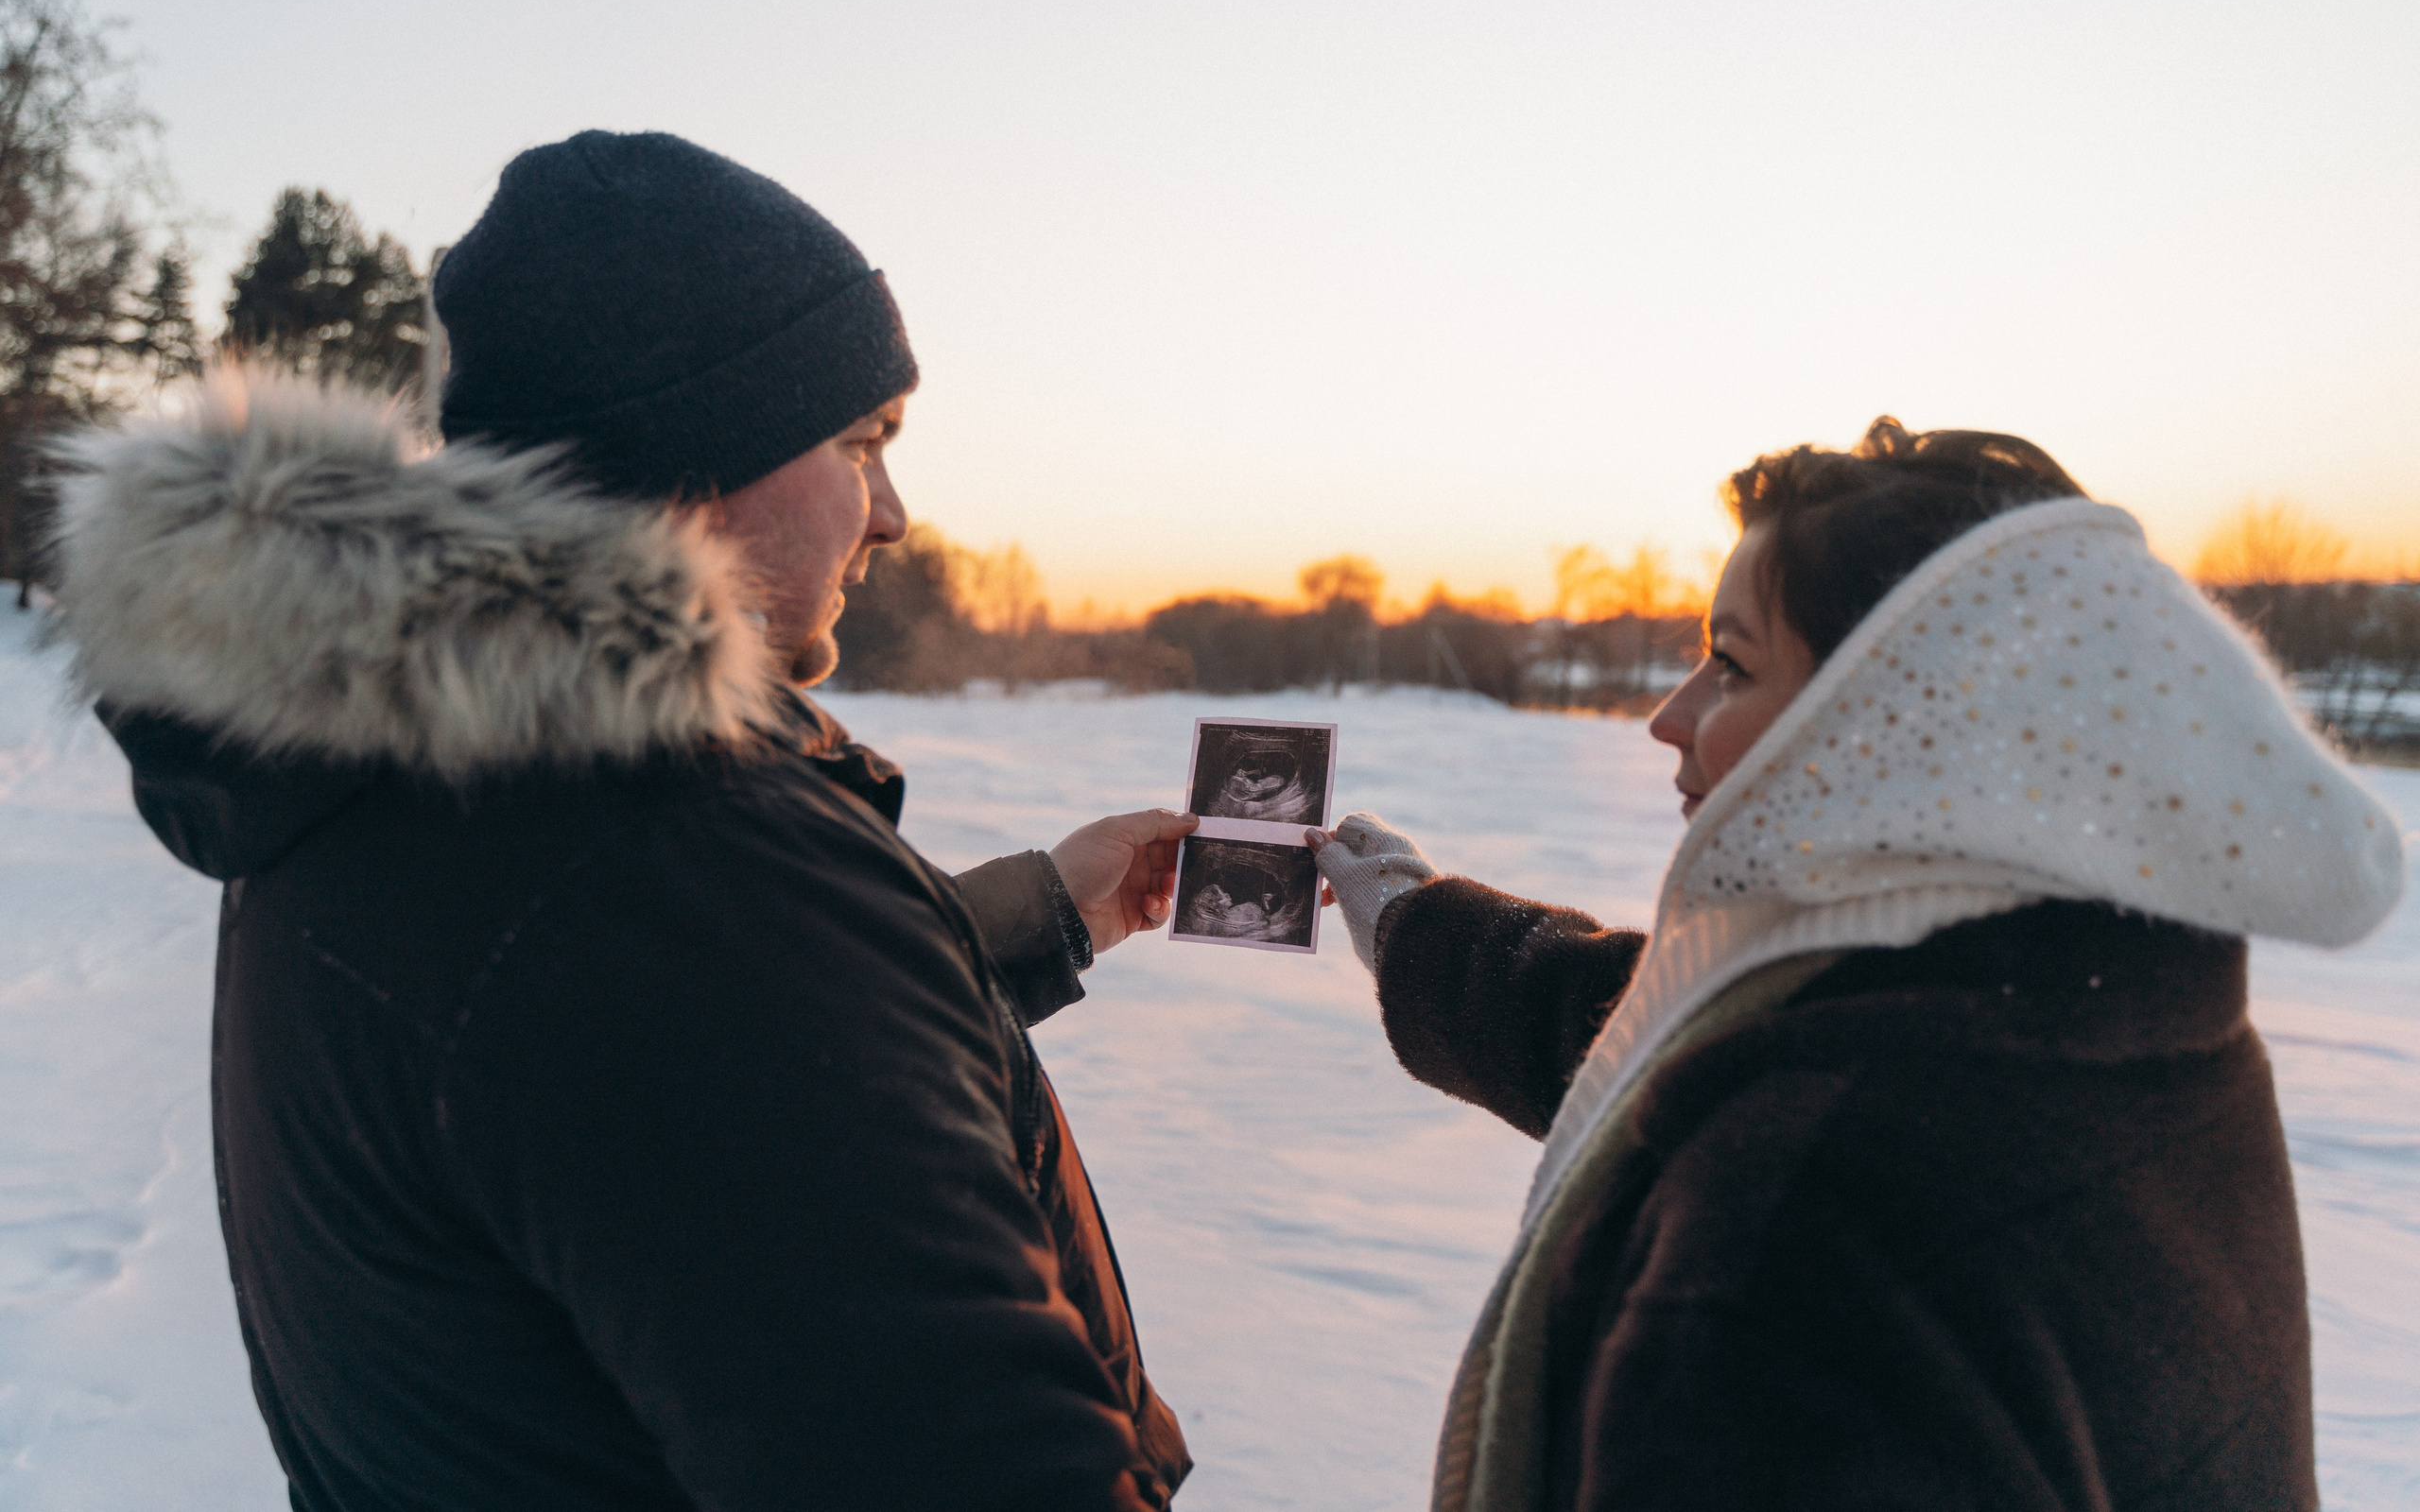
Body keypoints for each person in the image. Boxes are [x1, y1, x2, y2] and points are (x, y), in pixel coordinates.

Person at [48, 131, 1195, 1510]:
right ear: (699, 458)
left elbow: (636, 1090)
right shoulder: (670, 862)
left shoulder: (396, 763)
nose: (892, 514)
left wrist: (1040, 916)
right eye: (860, 440)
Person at [1312, 421, 2404, 1511]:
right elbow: (1673, 1043)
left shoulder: (1799, 1234)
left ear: (1897, 730)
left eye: (1731, 662)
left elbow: (1757, 1102)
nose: (1667, 715)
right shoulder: (2112, 1012)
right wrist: (1418, 927)